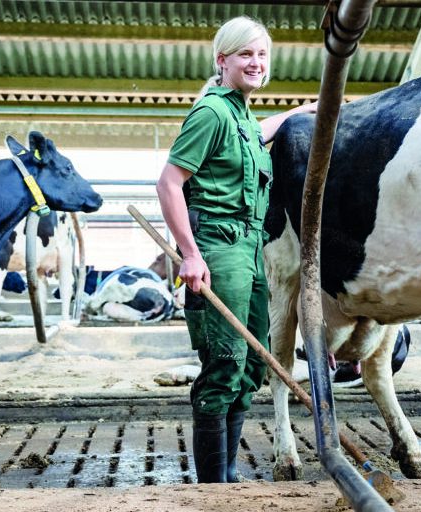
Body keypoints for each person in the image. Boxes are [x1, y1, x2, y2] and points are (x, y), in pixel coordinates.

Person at [156, 16, 316, 484]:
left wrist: (300, 112)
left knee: (249, 366)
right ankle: (213, 484)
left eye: (262, 54)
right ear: (222, 60)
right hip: (218, 246)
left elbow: (254, 134)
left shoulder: (241, 115)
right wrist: (190, 254)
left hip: (250, 248)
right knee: (224, 362)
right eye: (245, 54)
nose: (255, 62)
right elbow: (169, 182)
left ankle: (224, 475)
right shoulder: (210, 112)